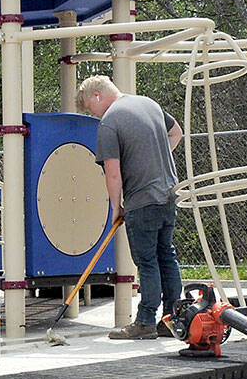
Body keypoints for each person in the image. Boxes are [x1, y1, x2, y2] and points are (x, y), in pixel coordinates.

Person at [78, 74, 184, 339]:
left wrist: (116, 207)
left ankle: (146, 322)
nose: (94, 115)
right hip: (168, 194)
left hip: (141, 200)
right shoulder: (149, 104)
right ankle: (173, 319)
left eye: (91, 109)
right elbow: (176, 132)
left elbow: (112, 173)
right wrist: (155, 159)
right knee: (166, 256)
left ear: (97, 96)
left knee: (147, 261)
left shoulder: (110, 122)